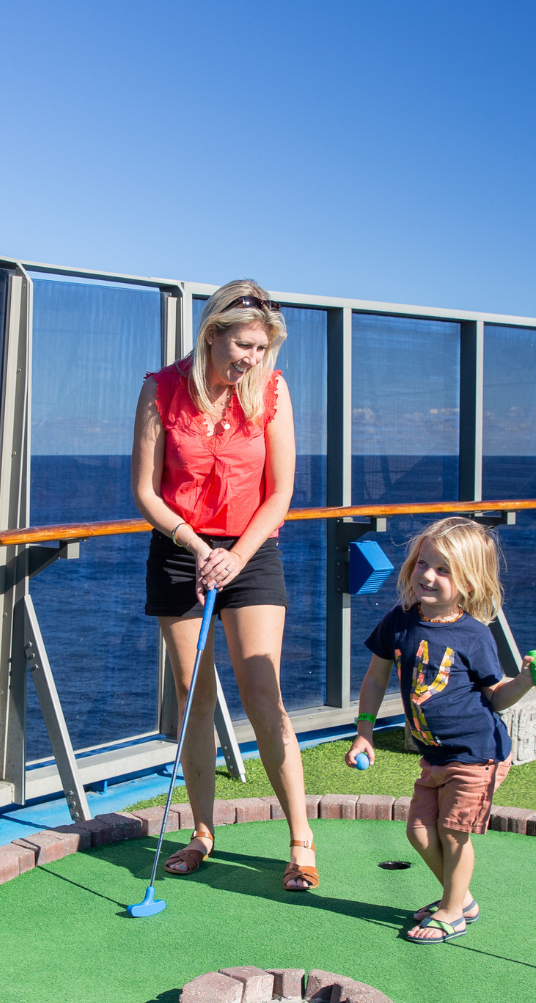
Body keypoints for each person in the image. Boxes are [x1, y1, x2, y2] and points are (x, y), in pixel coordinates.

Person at [131, 280, 318, 891]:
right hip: (182, 549)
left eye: (262, 348)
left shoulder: (272, 390)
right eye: (244, 345)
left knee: (263, 694)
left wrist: (235, 556)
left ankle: (301, 840)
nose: (253, 359)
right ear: (211, 333)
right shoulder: (160, 391)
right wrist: (197, 546)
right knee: (193, 697)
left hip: (251, 553)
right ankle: (202, 833)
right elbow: (147, 492)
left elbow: (280, 493)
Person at [344, 516, 536, 942]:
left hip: (478, 753)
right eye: (423, 564)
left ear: (469, 582)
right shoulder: (399, 621)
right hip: (435, 755)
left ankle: (453, 911)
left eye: (444, 570)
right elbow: (375, 679)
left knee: (454, 834)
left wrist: (526, 681)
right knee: (419, 832)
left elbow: (495, 696)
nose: (428, 576)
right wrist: (364, 731)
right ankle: (460, 899)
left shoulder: (473, 635)